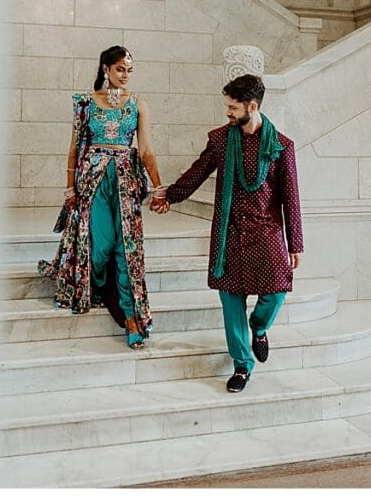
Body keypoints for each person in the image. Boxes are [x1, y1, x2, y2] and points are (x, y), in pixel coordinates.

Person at [161, 74, 303, 393]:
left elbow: (291, 197)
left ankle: (260, 326)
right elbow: (198, 172)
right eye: (226, 106)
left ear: (252, 106)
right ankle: (242, 365)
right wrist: (169, 196)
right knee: (231, 299)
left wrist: (295, 243)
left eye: (232, 107)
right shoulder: (221, 140)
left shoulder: (281, 146)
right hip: (230, 230)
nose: (227, 112)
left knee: (276, 291)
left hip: (267, 230)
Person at [39, 46, 168, 349]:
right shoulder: (85, 103)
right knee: (102, 248)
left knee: (126, 248)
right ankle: (96, 286)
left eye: (130, 70)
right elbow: (73, 148)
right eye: (120, 68)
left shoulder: (138, 104)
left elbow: (146, 149)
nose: (125, 75)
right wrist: (69, 187)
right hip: (93, 180)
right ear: (105, 68)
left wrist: (159, 187)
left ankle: (131, 318)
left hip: (125, 181)